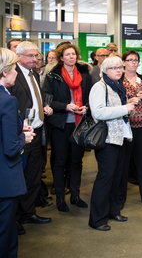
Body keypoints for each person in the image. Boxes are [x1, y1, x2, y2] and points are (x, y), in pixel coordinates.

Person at [88, 56, 136, 231]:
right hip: (107, 139)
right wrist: (125, 108)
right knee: (106, 178)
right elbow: (98, 112)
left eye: (120, 67)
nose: (119, 70)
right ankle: (97, 219)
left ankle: (113, 210)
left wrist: (128, 103)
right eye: (114, 68)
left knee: (118, 177)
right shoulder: (99, 87)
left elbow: (115, 107)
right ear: (105, 70)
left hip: (121, 137)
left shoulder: (117, 86)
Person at [8, 41, 52, 231]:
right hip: (21, 134)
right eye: (31, 56)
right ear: (19, 56)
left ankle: (28, 212)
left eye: (36, 56)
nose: (35, 59)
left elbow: (34, 99)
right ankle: (15, 218)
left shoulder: (34, 73)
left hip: (37, 131)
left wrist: (43, 107)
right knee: (20, 176)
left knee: (34, 174)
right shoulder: (12, 76)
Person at [43, 43, 92, 212]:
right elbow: (47, 100)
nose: (71, 57)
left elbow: (90, 95)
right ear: (61, 57)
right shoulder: (53, 75)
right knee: (60, 161)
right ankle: (60, 199)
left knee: (76, 161)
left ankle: (75, 195)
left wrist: (86, 106)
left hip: (80, 123)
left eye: (73, 54)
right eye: (67, 54)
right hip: (61, 123)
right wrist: (65, 106)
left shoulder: (84, 73)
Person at [0, 48, 35, 257]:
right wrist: (24, 138)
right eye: (14, 69)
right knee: (6, 233)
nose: (16, 73)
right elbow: (12, 148)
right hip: (5, 178)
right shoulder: (7, 101)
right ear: (5, 72)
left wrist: (15, 130)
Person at [120, 50, 142, 207]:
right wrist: (129, 100)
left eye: (135, 60)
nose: (133, 62)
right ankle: (119, 198)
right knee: (123, 162)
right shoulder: (118, 80)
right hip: (126, 126)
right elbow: (114, 103)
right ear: (124, 63)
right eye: (129, 60)